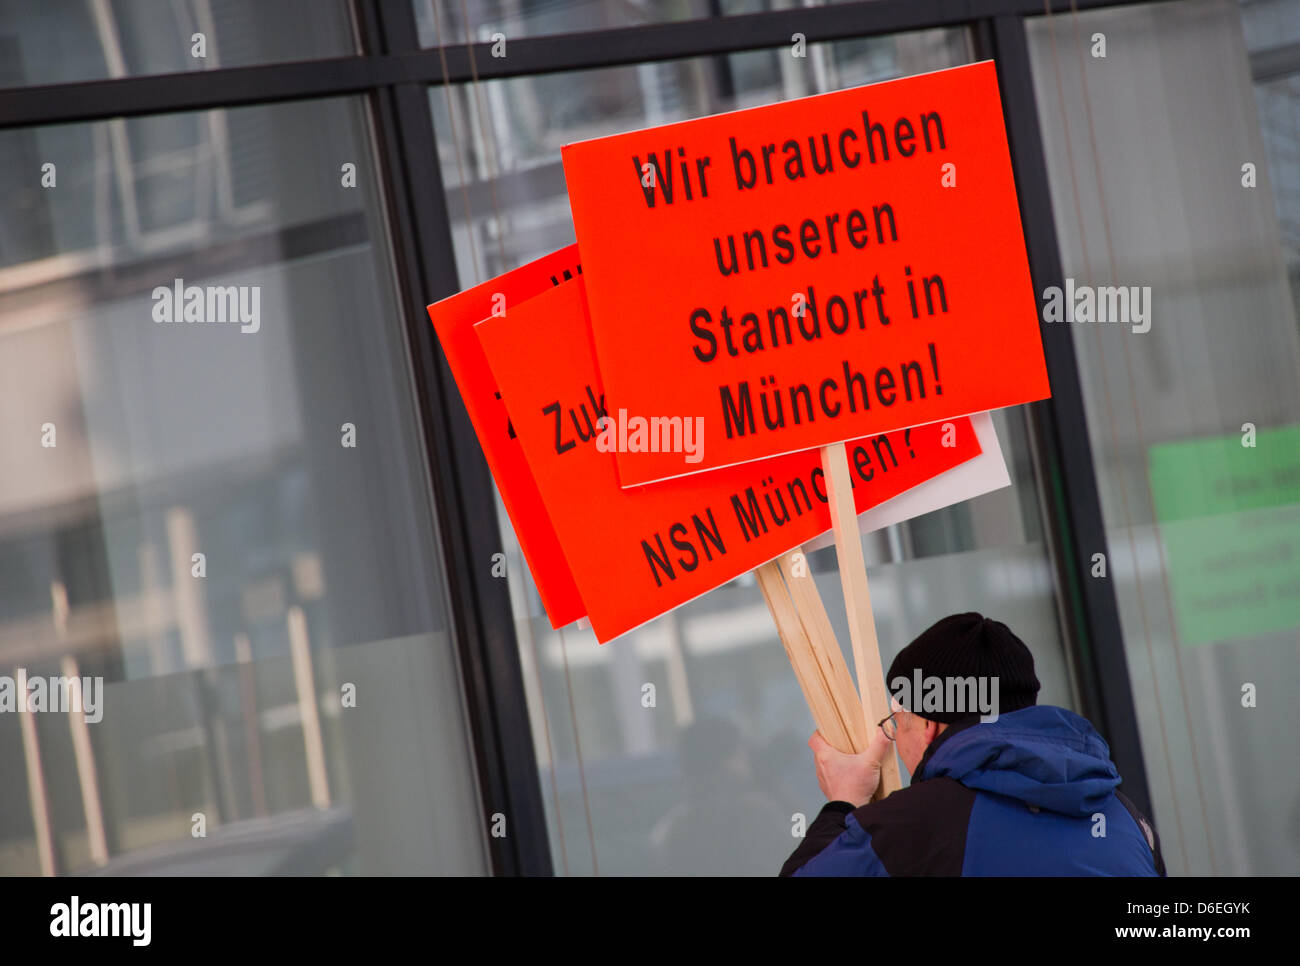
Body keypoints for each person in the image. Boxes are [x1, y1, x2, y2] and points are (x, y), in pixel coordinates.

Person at [780, 612, 1165, 876]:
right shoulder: (1123, 815)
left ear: (929, 725)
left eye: (897, 725)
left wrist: (842, 804)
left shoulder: (917, 825)